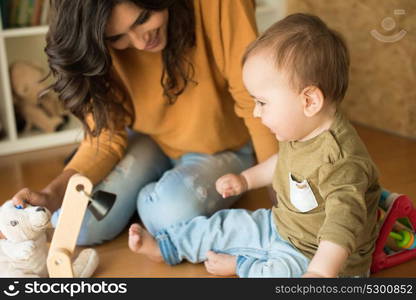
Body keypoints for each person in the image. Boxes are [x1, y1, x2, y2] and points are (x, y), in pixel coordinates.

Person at [127, 13, 382, 278]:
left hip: (317, 257)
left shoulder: (342, 163)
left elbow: (342, 228)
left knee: (277, 274)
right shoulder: (303, 129)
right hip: (282, 226)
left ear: (309, 101)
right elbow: (281, 163)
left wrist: (319, 273)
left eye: (262, 102)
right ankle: (168, 246)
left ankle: (242, 264)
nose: (257, 113)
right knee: (227, 225)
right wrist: (244, 180)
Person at [11, 0, 277, 245]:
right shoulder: (96, 35)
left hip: (222, 146)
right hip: (150, 141)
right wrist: (52, 194)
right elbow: (103, 139)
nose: (140, 42)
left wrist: (281, 197)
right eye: (117, 37)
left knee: (167, 214)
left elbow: (253, 101)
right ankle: (150, 197)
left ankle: (149, 201)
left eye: (143, 18)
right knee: (75, 224)